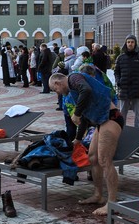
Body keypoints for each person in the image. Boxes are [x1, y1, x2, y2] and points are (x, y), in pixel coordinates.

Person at [49, 72, 124, 215]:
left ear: (57, 83)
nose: (57, 93)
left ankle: (112, 203)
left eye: (55, 89)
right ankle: (98, 195)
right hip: (101, 122)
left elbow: (87, 90)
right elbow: (84, 116)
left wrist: (76, 113)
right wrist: (78, 139)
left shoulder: (73, 78)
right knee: (93, 157)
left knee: (104, 160)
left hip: (111, 118)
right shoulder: (74, 92)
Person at [113, 34, 139, 128]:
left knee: (138, 116)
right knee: (122, 115)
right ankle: (122, 132)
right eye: (128, 42)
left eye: (132, 42)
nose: (130, 44)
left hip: (137, 90)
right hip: (124, 90)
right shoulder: (120, 58)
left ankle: (138, 133)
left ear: (135, 43)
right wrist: (118, 82)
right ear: (126, 43)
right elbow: (116, 72)